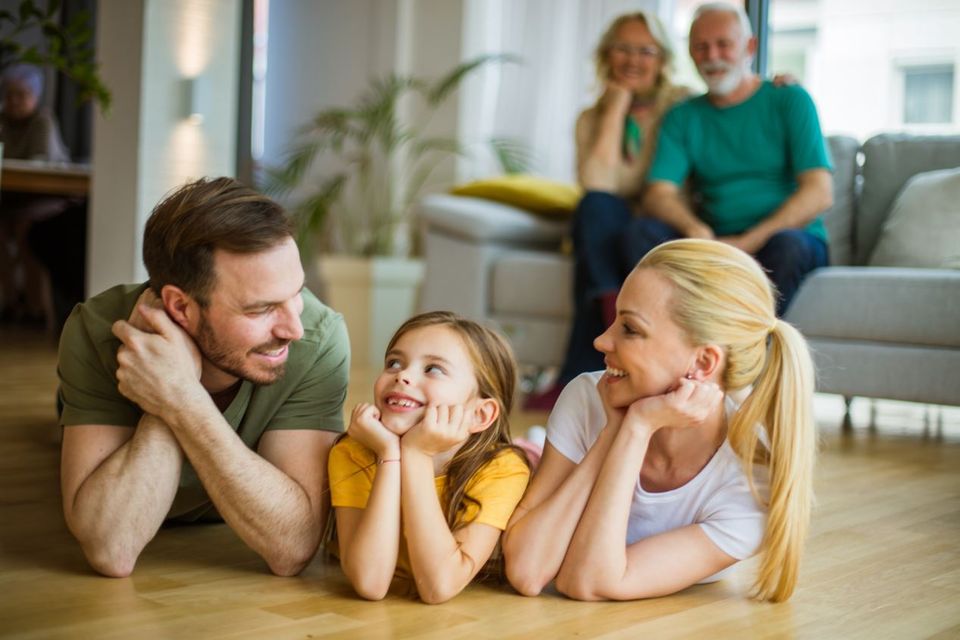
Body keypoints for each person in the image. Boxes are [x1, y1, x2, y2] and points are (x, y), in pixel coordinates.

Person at [58, 177, 350, 578]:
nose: (292, 329)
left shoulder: (318, 338)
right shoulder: (97, 330)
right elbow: (112, 549)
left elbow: (293, 547)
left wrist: (178, 395)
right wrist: (171, 381)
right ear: (180, 307)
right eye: (261, 309)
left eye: (296, 292)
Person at [503, 239, 816, 603]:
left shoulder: (750, 484)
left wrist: (636, 428)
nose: (602, 341)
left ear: (702, 363)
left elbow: (587, 581)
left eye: (630, 329)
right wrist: (613, 433)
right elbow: (527, 572)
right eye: (614, 321)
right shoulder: (591, 396)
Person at [525, 11, 689, 410]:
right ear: (606, 56)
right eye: (623, 49)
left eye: (645, 50)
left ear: (663, 59)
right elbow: (599, 182)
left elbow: (648, 185)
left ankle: (578, 369)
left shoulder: (682, 107)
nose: (633, 60)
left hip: (664, 224)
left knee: (613, 238)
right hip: (612, 224)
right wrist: (616, 106)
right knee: (596, 207)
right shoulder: (590, 118)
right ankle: (612, 321)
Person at [637, 2, 833, 318]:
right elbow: (658, 193)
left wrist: (746, 242)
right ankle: (659, 345)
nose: (712, 56)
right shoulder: (682, 117)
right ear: (690, 53)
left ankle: (745, 357)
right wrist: (694, 228)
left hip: (784, 239)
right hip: (714, 240)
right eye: (701, 47)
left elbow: (819, 193)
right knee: (641, 233)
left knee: (788, 247)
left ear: (750, 47)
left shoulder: (791, 99)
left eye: (723, 45)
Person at [328, 311, 531, 603]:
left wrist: (417, 453)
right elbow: (370, 583)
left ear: (480, 414)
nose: (403, 375)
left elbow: (438, 587)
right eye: (394, 363)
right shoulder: (353, 451)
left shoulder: (502, 469)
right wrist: (389, 454)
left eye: (433, 369)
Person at [0, 63, 72, 326]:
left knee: (26, 232)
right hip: (10, 199)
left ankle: (36, 307)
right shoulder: (2, 121)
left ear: (34, 97)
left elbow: (42, 162)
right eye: (9, 94)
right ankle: (9, 300)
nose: (14, 101)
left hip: (45, 199)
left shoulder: (43, 121)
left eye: (21, 95)